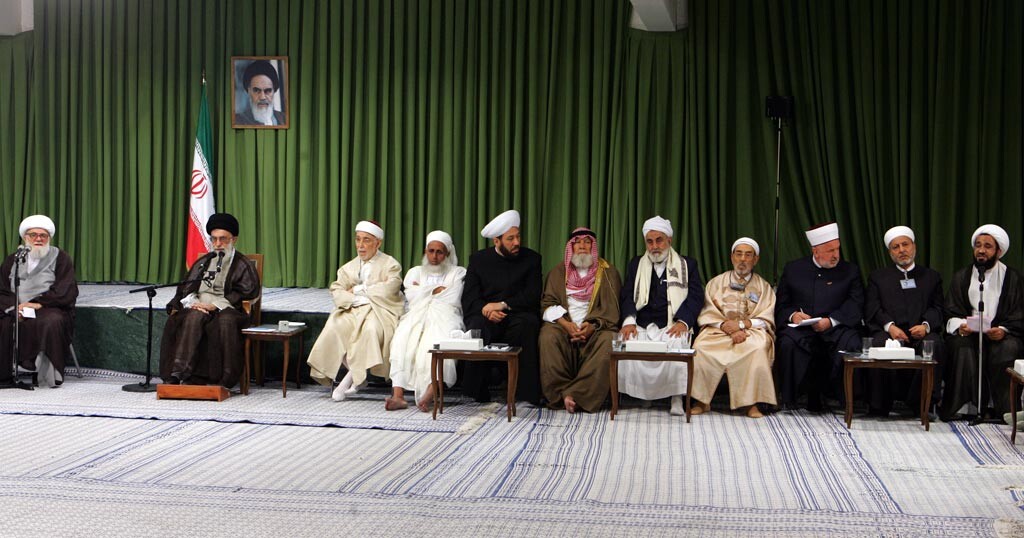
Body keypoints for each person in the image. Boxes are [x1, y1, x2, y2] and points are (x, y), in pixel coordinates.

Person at [160, 213, 260, 387]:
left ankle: (223, 378)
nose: (218, 244)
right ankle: (178, 373)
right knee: (193, 316)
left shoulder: (242, 264)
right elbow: (185, 289)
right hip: (198, 307)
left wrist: (214, 305)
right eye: (214, 239)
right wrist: (194, 304)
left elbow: (248, 292)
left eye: (223, 239)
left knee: (225, 321)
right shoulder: (204, 261)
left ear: (234, 239)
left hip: (226, 309)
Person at [307, 220, 404, 401]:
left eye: (366, 240)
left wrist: (359, 290)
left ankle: (346, 383)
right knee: (334, 327)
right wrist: (357, 299)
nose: (360, 245)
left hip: (379, 311)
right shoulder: (348, 267)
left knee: (370, 331)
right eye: (358, 239)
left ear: (378, 243)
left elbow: (391, 288)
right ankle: (357, 378)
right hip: (352, 309)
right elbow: (337, 290)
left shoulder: (390, 264)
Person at [618, 216, 704, 416]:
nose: (654, 246)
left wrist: (683, 321)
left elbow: (695, 296)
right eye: (650, 241)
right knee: (628, 340)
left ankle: (676, 397)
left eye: (659, 240)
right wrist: (629, 321)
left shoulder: (687, 264)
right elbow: (627, 294)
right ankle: (644, 394)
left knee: (677, 342)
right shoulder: (636, 264)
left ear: (669, 240)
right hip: (642, 322)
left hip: (672, 322)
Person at [775, 222, 863, 411]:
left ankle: (845, 399)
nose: (836, 255)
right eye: (830, 250)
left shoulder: (850, 271)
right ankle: (791, 398)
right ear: (815, 251)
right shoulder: (793, 269)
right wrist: (793, 315)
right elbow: (782, 304)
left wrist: (831, 321)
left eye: (837, 249)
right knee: (787, 343)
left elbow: (855, 303)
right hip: (802, 329)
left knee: (851, 343)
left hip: (837, 327)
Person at [941, 224, 1023, 422]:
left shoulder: (1012, 278)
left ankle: (1003, 410)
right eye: (978, 245)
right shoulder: (962, 276)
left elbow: (1019, 313)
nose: (981, 250)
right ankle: (965, 408)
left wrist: (1003, 330)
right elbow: (950, 310)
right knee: (961, 348)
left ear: (998, 251)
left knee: (1008, 348)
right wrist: (960, 325)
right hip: (969, 333)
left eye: (987, 246)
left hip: (1001, 335)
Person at [461, 209, 543, 404]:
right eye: (510, 239)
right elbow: (470, 297)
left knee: (528, 324)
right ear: (496, 241)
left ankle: (525, 394)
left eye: (518, 236)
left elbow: (532, 295)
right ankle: (477, 392)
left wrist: (502, 305)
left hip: (517, 313)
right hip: (486, 315)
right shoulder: (478, 260)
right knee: (478, 327)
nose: (516, 242)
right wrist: (486, 309)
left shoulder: (532, 259)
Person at [863, 226, 945, 416]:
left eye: (905, 245)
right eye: (896, 247)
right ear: (890, 252)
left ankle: (921, 404)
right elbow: (873, 308)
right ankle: (879, 406)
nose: (901, 250)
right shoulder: (878, 277)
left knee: (935, 345)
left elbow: (938, 308)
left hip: (920, 333)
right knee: (878, 342)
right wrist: (890, 327)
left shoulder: (931, 277)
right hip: (891, 333)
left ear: (913, 246)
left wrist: (925, 326)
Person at [539, 227, 622, 413]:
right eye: (577, 243)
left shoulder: (608, 273)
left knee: (610, 340)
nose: (582, 246)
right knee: (547, 336)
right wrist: (566, 325)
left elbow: (612, 310)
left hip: (596, 329)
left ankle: (576, 395)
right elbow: (547, 305)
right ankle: (559, 394)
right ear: (571, 247)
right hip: (563, 327)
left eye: (587, 242)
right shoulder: (558, 272)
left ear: (593, 247)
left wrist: (592, 326)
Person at [691, 238, 776, 418]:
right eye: (739, 254)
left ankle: (751, 404)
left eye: (748, 255)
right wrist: (725, 326)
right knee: (700, 347)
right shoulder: (716, 283)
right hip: (719, 330)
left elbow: (766, 317)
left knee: (758, 348)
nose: (743, 259)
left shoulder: (763, 287)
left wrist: (742, 325)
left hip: (750, 332)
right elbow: (707, 312)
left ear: (755, 259)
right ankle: (701, 401)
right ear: (732, 257)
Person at [386, 231, 466, 412]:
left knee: (438, 343)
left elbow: (452, 297)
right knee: (401, 340)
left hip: (446, 316)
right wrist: (436, 290)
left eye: (440, 252)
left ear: (447, 254)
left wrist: (423, 290)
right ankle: (398, 396)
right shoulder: (415, 272)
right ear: (425, 251)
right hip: (416, 315)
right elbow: (411, 295)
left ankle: (429, 395)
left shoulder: (458, 273)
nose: (434, 257)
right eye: (431, 251)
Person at [0, 215, 78, 388]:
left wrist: (38, 303)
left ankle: (43, 374)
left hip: (48, 306)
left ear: (49, 238)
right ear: (25, 237)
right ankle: (6, 373)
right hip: (16, 306)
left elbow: (66, 289)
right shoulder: (13, 259)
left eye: (43, 235)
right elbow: (2, 289)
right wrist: (14, 307)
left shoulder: (61, 258)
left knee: (51, 321)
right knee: (4, 320)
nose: (38, 239)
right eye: (33, 235)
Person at [234, 60, 286, 126]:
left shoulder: (285, 119)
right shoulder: (237, 121)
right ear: (249, 91)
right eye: (256, 90)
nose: (262, 97)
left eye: (268, 91)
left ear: (274, 91)